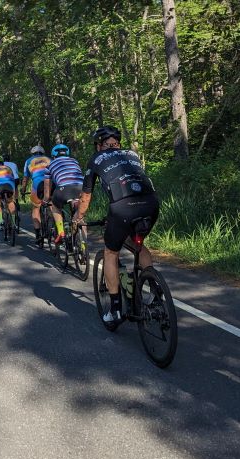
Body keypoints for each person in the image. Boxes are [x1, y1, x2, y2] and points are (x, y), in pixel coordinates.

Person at [73, 126, 159, 325]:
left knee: (111, 252)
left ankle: (115, 309)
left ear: (98, 145)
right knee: (138, 245)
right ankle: (156, 295)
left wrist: (79, 217)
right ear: (118, 143)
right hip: (151, 204)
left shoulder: (96, 159)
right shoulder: (132, 154)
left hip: (123, 208)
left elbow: (85, 197)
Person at [44, 144, 84, 246]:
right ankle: (83, 245)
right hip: (80, 188)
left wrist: (46, 199)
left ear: (53, 155)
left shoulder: (49, 165)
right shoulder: (75, 161)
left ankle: (61, 232)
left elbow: (47, 188)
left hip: (63, 189)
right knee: (79, 216)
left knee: (55, 206)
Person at [22, 145, 52, 244]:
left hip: (37, 185)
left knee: (36, 209)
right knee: (53, 206)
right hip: (51, 184)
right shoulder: (49, 159)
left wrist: (23, 190)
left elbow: (25, 179)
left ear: (32, 153)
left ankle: (38, 235)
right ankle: (56, 227)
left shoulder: (28, 161)